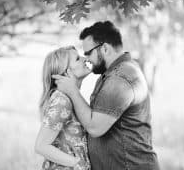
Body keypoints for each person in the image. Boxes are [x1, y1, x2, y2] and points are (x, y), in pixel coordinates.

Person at [53, 21, 160, 170]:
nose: (87, 59)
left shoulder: (120, 79)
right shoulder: (110, 75)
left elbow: (95, 127)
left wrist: (72, 90)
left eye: (88, 53)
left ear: (104, 48)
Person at [35, 46, 91, 170]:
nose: (84, 59)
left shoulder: (71, 98)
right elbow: (41, 146)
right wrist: (78, 163)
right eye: (77, 59)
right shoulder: (62, 100)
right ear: (66, 72)